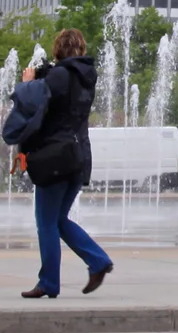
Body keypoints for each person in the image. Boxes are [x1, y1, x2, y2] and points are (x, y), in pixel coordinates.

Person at [19, 30, 112, 297]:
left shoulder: (59, 76)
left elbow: (33, 104)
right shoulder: (86, 77)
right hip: (78, 156)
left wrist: (27, 82)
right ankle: (97, 260)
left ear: (57, 48)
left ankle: (50, 282)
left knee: (46, 222)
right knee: (58, 219)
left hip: (55, 156)